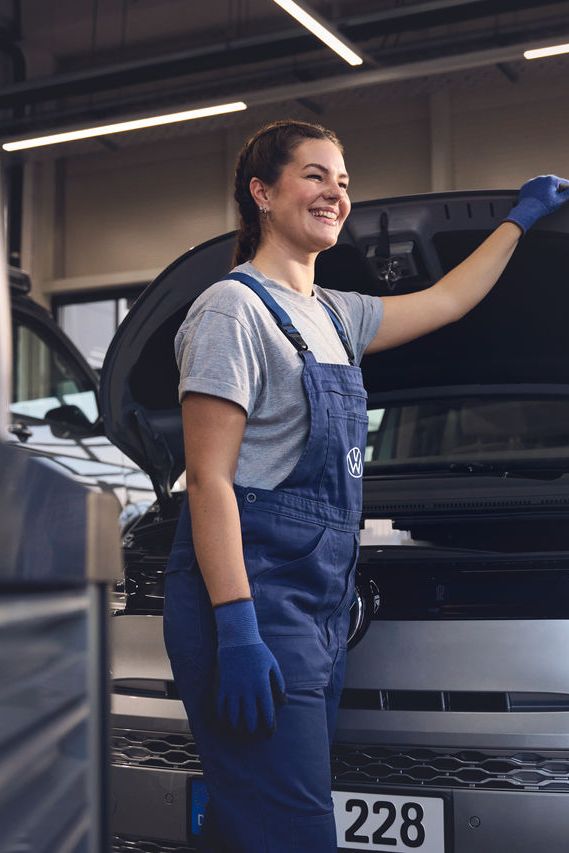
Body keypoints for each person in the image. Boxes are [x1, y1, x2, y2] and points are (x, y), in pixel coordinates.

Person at [163, 118, 569, 852]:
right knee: (293, 830)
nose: (335, 193)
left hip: (321, 602)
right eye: (314, 175)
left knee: (251, 823)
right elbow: (209, 483)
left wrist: (520, 220)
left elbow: (448, 300)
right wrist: (238, 631)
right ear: (262, 192)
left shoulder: (333, 314)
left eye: (343, 181)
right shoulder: (233, 310)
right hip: (257, 599)